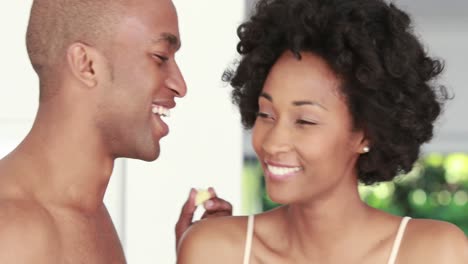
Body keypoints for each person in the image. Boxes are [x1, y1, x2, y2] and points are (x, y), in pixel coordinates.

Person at [176, 0, 468, 263]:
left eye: (304, 121)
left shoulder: (434, 252)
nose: (273, 142)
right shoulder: (214, 250)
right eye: (266, 114)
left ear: (365, 133)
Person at [0, 0, 230, 263]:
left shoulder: (85, 213)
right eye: (160, 57)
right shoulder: (12, 231)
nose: (180, 85)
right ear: (87, 65)